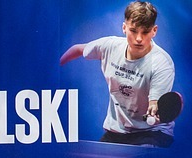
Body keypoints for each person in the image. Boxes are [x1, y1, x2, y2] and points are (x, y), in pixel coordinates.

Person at [60, 2, 176, 147]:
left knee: (142, 156)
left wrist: (154, 109)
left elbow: (154, 102)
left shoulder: (162, 63)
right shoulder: (110, 46)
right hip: (117, 131)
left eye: (145, 32)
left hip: (152, 132)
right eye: (133, 31)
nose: (139, 38)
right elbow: (77, 49)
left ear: (154, 31)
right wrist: (55, 69)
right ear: (124, 28)